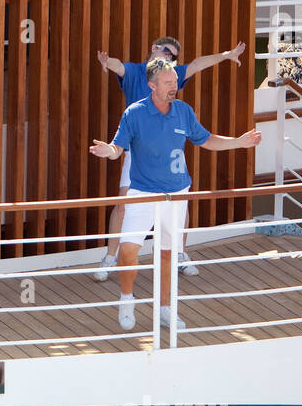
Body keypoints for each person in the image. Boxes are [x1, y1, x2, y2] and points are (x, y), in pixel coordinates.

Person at [89, 59, 261, 332]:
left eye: (175, 82)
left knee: (168, 253)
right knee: (128, 251)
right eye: (168, 83)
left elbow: (205, 139)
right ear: (152, 85)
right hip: (143, 192)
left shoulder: (183, 111)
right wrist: (107, 151)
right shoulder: (134, 113)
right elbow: (117, 148)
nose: (174, 87)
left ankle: (165, 309)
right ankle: (126, 299)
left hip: (177, 193)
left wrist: (239, 142)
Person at [93, 36, 246, 280]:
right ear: (153, 48)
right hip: (138, 149)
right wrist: (106, 61)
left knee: (179, 200)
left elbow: (196, 65)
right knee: (124, 202)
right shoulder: (135, 74)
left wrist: (226, 55)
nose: (170, 59)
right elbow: (118, 66)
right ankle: (110, 257)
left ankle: (179, 254)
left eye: (173, 57)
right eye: (166, 52)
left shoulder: (179, 98)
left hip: (168, 148)